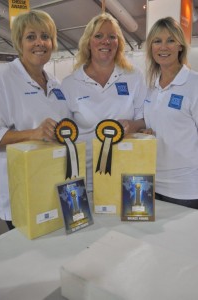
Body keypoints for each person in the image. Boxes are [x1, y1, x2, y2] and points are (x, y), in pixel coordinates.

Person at [61, 12, 147, 191]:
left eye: (111, 37)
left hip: (126, 174)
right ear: (88, 42)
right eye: (98, 36)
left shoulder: (134, 76)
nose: (105, 41)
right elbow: (63, 131)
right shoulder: (70, 83)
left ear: (119, 43)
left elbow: (144, 119)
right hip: (84, 177)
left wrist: (132, 125)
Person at [0, 10, 69, 230]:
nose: (39, 43)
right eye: (31, 37)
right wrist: (33, 133)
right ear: (19, 42)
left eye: (45, 36)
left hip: (52, 184)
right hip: (20, 189)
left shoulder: (57, 84)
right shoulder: (3, 78)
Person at [143, 16, 198, 208]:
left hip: (187, 189)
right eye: (157, 41)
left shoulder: (194, 84)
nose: (163, 47)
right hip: (153, 184)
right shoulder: (151, 87)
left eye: (170, 40)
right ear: (151, 47)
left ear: (180, 46)